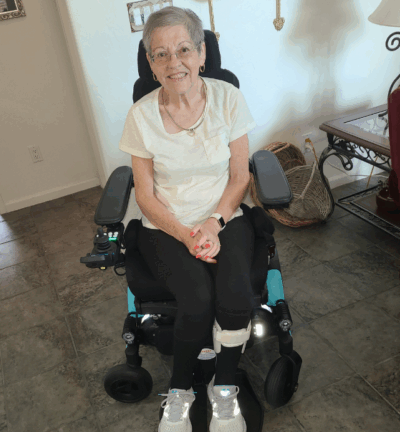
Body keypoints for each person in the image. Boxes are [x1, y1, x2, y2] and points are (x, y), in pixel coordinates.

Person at [118, 6, 257, 432]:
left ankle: (225, 388)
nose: (173, 62)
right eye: (160, 54)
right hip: (166, 225)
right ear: (150, 63)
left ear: (201, 53)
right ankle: (179, 391)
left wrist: (214, 223)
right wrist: (185, 233)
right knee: (195, 301)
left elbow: (240, 175)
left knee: (235, 301)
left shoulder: (228, 98)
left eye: (183, 50)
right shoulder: (140, 116)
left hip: (225, 216)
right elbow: (144, 194)